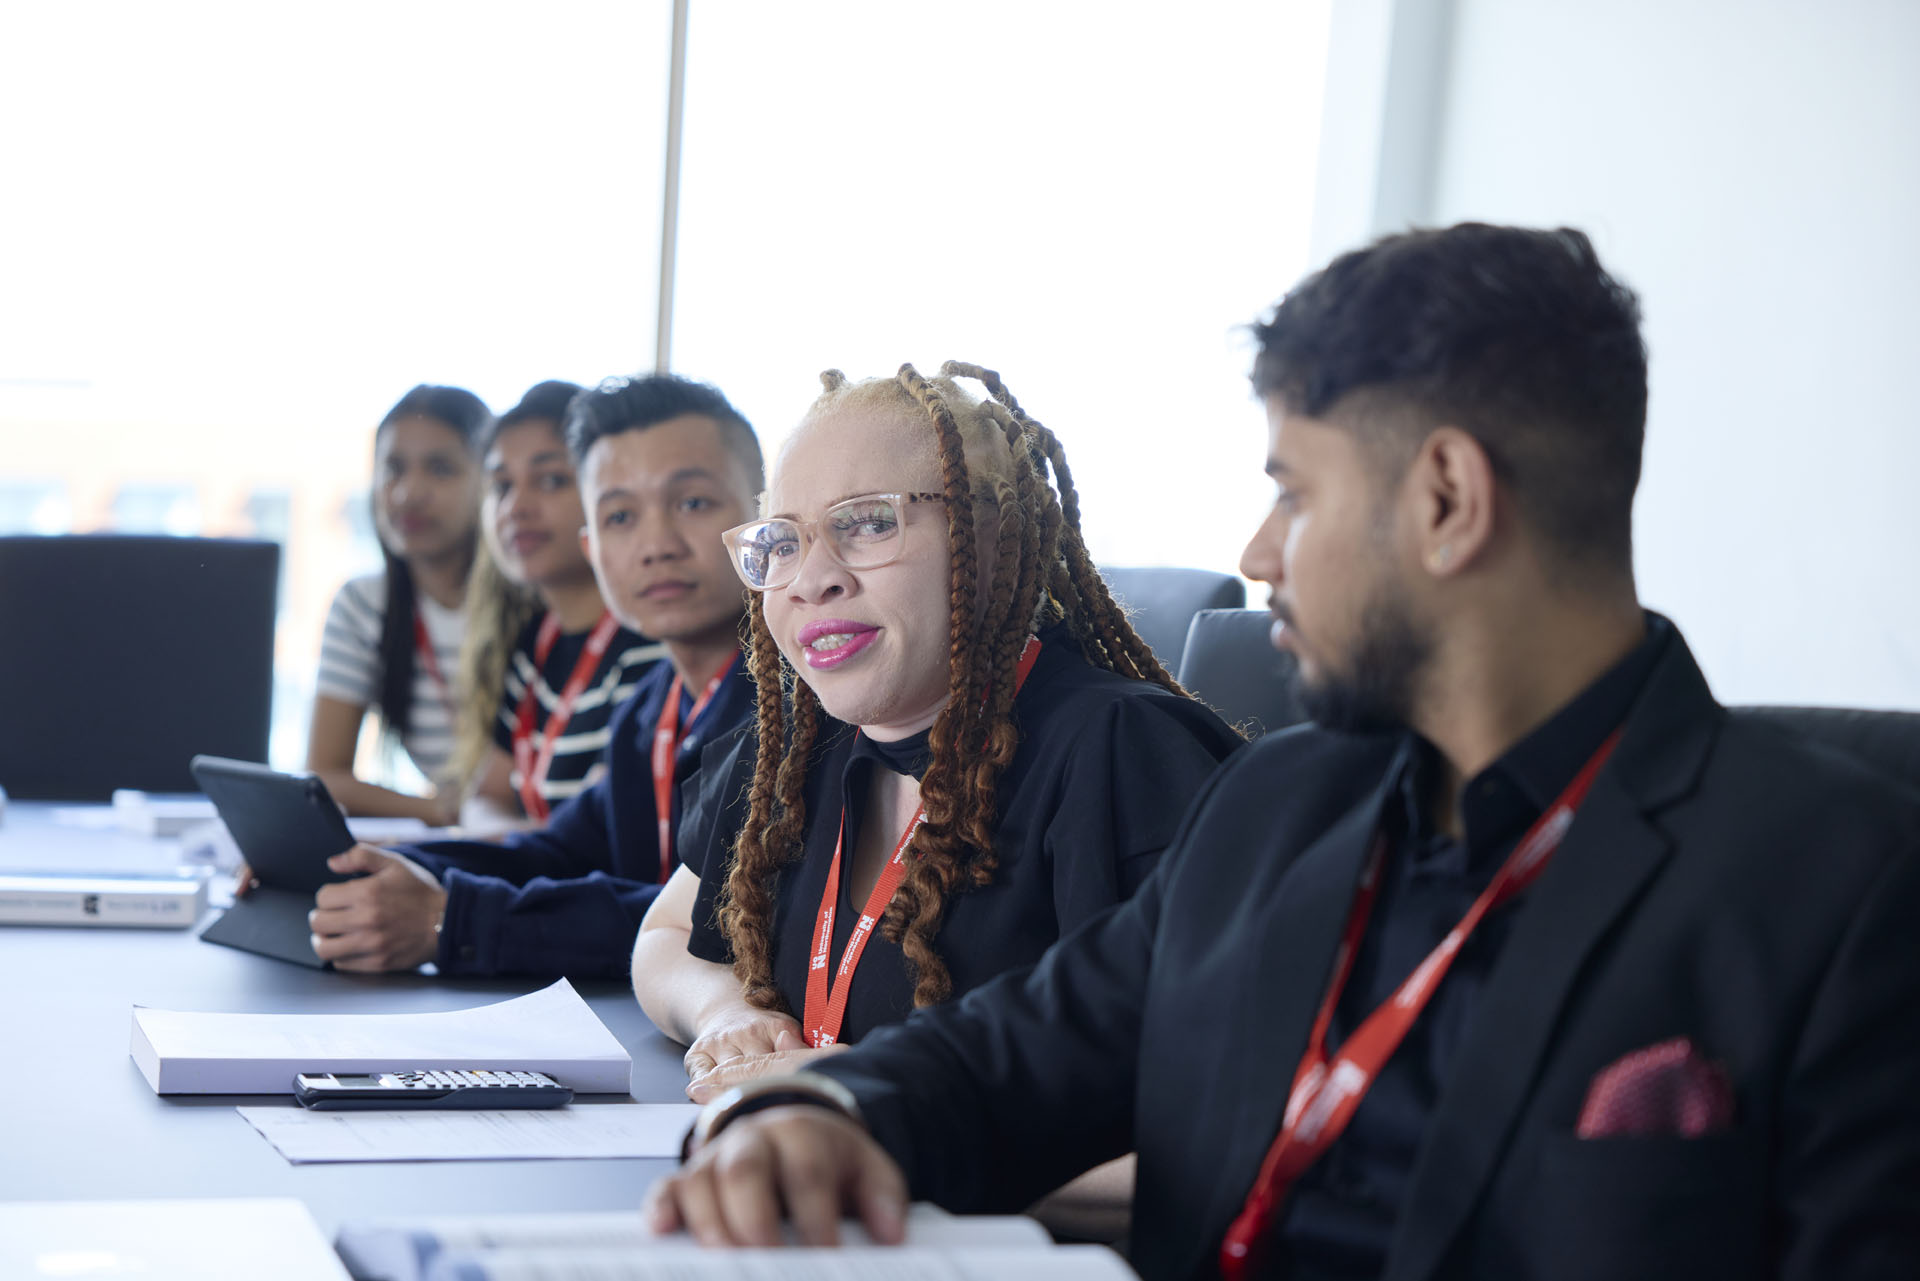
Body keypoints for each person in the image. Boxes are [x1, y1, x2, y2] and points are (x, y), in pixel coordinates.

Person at [644, 227, 1920, 1280]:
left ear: (1446, 501)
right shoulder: (1278, 805)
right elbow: (1008, 1059)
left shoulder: (1843, 886)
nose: (1256, 556)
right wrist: (814, 1109)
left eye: (1295, 495)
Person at [629, 363, 1242, 1240]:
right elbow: (662, 937)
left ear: (991, 543)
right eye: (784, 541)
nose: (811, 580)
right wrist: (729, 1015)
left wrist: (865, 1127)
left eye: (869, 522)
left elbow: (1228, 1127)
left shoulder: (1126, 755)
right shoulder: (793, 747)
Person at [303, 374, 763, 978]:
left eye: (693, 503)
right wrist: (367, 867)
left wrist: (451, 919)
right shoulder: (654, 709)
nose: (656, 545)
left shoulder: (787, 711)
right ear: (592, 545)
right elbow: (560, 849)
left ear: (767, 517)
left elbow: (698, 922)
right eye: (620, 515)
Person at [456, 380, 666, 831]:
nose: (516, 507)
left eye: (551, 480)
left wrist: (513, 849)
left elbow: (601, 840)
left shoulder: (651, 641)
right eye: (501, 486)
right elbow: (481, 800)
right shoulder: (537, 640)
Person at [309, 384, 489, 822]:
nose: (409, 492)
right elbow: (322, 778)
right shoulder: (363, 605)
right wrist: (442, 811)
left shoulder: (533, 599)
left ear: (490, 480)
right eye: (393, 468)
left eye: (440, 469)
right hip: (471, 829)